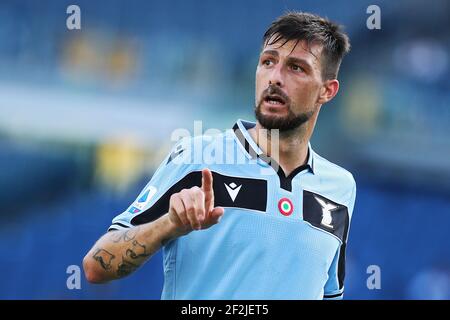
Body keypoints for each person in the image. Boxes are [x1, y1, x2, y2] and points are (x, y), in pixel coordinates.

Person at [83, 11, 356, 300]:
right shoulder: (197, 157)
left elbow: (329, 294)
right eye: (268, 62)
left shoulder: (340, 188)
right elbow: (96, 265)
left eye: (296, 68)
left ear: (327, 90)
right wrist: (169, 225)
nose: (275, 78)